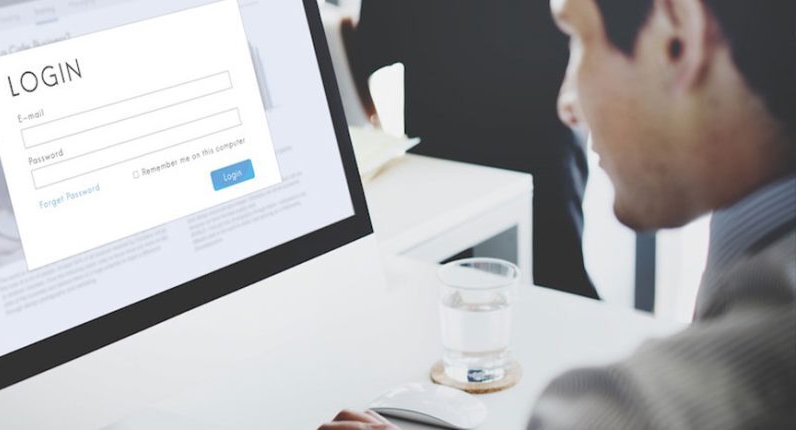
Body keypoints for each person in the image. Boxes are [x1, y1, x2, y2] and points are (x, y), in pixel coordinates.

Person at [321, 0, 795, 428]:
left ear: (678, 38)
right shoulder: (755, 243)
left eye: (579, 41)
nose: (568, 105)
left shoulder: (630, 409)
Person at [343, 0, 600, 299]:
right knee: (554, 289)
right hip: (527, 164)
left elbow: (364, 53)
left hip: (453, 171)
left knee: (453, 300)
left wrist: (374, 128)